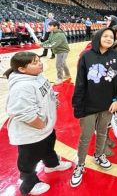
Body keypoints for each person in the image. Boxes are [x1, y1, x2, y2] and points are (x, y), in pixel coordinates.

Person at [5, 52, 72, 195]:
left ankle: (52, 165)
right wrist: (40, 125)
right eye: (34, 62)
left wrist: (53, 98)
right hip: (32, 133)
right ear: (22, 69)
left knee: (48, 148)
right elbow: (22, 112)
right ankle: (28, 185)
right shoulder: (21, 86)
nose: (40, 63)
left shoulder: (37, 76)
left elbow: (46, 91)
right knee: (29, 160)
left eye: (39, 60)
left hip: (45, 129)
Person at [70, 28, 117, 187]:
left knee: (102, 133)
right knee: (86, 136)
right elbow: (80, 82)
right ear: (98, 37)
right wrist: (78, 105)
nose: (109, 39)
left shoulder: (116, 56)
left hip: (108, 105)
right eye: (105, 36)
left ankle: (99, 155)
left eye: (111, 37)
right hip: (89, 105)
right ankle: (80, 164)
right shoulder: (87, 56)